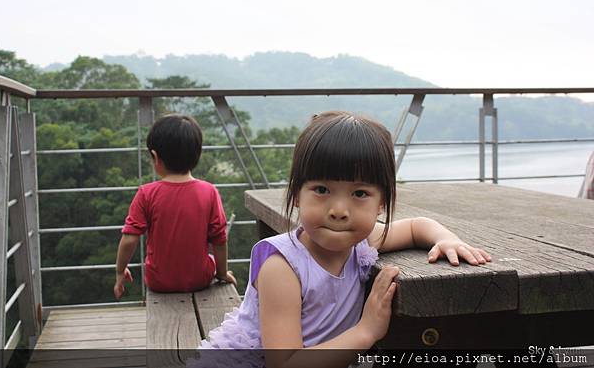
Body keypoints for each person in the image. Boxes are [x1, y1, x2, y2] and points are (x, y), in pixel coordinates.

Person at [192, 111, 491, 368]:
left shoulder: (360, 244)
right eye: (322, 189)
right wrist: (366, 332)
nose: (338, 211)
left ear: (381, 203)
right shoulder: (283, 267)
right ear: (297, 194)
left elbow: (416, 226)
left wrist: (446, 239)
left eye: (359, 194)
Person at [114, 114, 236, 299]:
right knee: (208, 259)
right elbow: (219, 240)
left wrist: (120, 271)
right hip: (199, 279)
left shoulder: (146, 193)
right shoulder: (209, 192)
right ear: (197, 155)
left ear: (155, 156)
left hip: (158, 281)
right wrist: (222, 273)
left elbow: (130, 239)